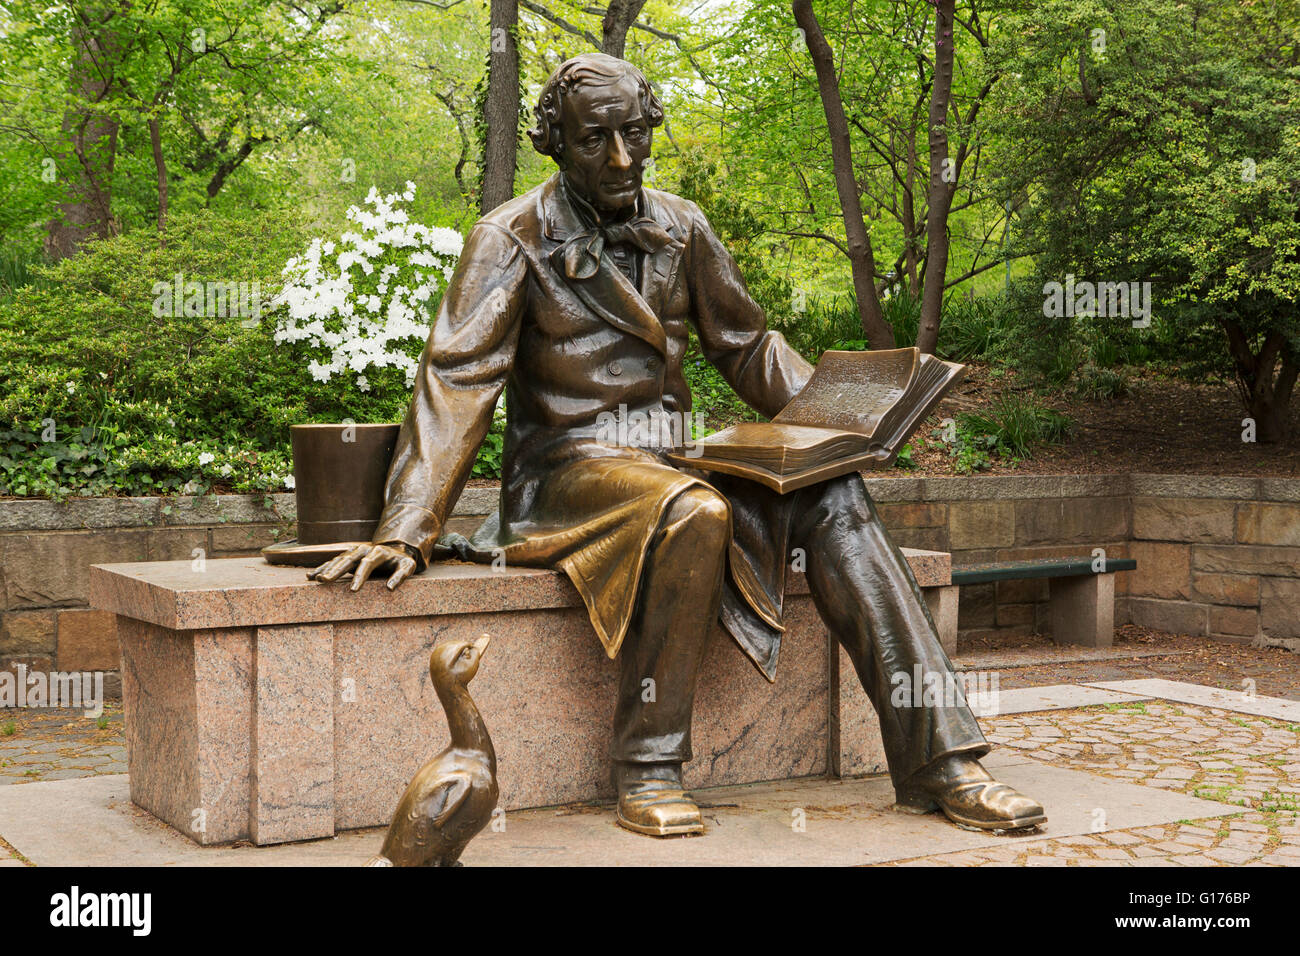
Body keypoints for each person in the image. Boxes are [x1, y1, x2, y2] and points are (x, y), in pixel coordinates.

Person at [310, 52, 1045, 838]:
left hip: (667, 457)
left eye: (634, 133)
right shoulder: (509, 238)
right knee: (691, 511)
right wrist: (408, 524)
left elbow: (749, 345)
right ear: (555, 142)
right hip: (566, 472)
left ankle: (943, 761)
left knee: (835, 493)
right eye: (596, 139)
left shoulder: (681, 224)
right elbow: (457, 380)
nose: (622, 158)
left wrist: (851, 413)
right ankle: (650, 764)